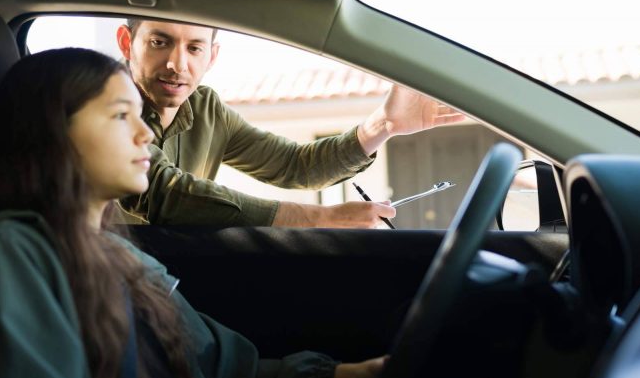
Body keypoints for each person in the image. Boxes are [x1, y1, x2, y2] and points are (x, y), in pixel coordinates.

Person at [0, 47, 388, 378]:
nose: (145, 135)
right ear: (51, 131)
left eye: (140, 117)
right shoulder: (13, 253)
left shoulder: (122, 256)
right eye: (121, 116)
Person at [115, 19, 465, 228]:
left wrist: (384, 124)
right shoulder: (102, 102)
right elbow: (165, 194)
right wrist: (321, 219)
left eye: (194, 48)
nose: (177, 64)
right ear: (127, 43)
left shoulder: (207, 109)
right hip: (101, 290)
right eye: (160, 43)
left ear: (212, 56)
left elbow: (295, 166)